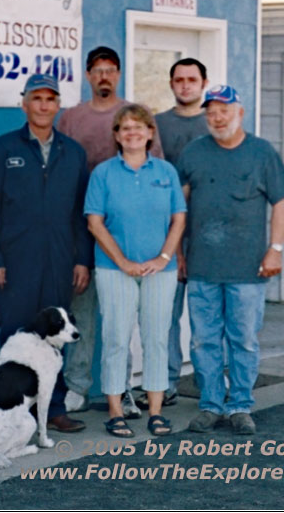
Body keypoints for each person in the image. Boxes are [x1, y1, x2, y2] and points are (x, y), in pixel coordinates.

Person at [176, 85, 284, 435]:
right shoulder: (193, 153)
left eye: (224, 110)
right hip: (202, 268)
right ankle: (211, 404)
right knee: (203, 340)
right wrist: (179, 253)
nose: (217, 117)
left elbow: (282, 203)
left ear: (239, 113)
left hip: (248, 268)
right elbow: (179, 210)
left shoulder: (261, 153)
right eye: (211, 111)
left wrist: (275, 248)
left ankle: (240, 405)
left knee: (243, 338)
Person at [0, 73, 92, 433]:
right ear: (24, 102)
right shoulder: (4, 148)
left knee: (55, 336)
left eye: (50, 99)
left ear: (58, 105)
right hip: (15, 260)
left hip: (59, 260)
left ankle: (54, 408)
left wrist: (82, 259)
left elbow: (80, 213)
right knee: (14, 336)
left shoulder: (73, 152)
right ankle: (12, 411)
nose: (44, 105)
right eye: (37, 98)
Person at [57, 46, 163, 419]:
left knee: (124, 319)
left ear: (118, 75)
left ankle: (124, 390)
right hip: (85, 226)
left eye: (110, 70)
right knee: (82, 311)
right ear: (88, 75)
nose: (104, 76)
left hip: (130, 232)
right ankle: (77, 387)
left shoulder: (135, 116)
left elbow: (158, 174)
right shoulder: (71, 118)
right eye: (97, 70)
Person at [84, 104, 186, 437]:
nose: (132, 133)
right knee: (116, 338)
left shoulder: (166, 172)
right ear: (116, 135)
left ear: (150, 133)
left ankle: (155, 411)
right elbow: (95, 223)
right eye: (125, 128)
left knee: (156, 337)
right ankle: (115, 410)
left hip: (160, 270)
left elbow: (178, 218)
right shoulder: (103, 173)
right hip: (114, 269)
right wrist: (123, 262)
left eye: (139, 127)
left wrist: (163, 257)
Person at [135, 57, 209, 410]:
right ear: (171, 84)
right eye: (178, 79)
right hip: (164, 236)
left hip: (211, 236)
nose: (185, 85)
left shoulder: (216, 123)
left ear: (203, 83)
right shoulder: (157, 126)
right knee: (163, 315)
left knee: (207, 315)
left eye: (191, 79)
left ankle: (210, 385)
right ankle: (163, 383)